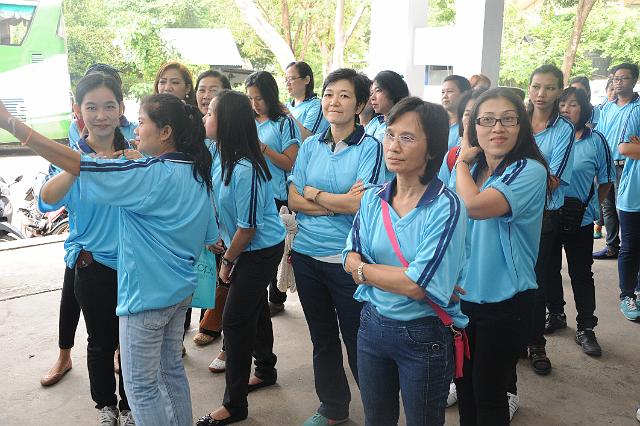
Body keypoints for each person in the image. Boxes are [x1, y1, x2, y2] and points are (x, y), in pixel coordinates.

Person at [0, 93, 218, 426]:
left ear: (165, 132)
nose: (136, 129)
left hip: (146, 300)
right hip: (179, 293)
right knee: (170, 371)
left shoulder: (147, 173)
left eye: (141, 123)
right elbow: (211, 237)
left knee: (141, 387)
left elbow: (77, 164)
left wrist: (11, 124)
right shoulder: (195, 170)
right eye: (91, 107)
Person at [343, 96, 468, 426]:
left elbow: (414, 287)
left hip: (423, 335)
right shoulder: (373, 198)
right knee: (376, 420)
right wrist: (397, 274)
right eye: (390, 134)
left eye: (407, 137)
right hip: (371, 326)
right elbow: (349, 256)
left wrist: (363, 270)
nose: (393, 146)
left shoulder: (446, 206)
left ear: (432, 149)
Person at [440, 87, 549, 425]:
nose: (497, 128)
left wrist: (460, 161)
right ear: (473, 127)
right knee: (465, 386)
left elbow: (474, 206)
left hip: (505, 302)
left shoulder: (528, 170)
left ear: (521, 126)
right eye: (486, 120)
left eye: (508, 119)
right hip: (463, 298)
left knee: (489, 393)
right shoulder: (472, 170)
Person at [288, 68, 384, 426]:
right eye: (329, 94)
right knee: (322, 337)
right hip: (306, 255)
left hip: (347, 260)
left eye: (344, 95)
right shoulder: (310, 145)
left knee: (360, 341)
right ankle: (332, 407)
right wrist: (334, 202)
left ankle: (378, 413)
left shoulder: (370, 147)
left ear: (359, 105)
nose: (334, 101)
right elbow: (292, 198)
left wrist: (313, 194)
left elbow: (360, 204)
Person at [38, 73, 134, 425]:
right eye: (91, 107)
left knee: (132, 342)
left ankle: (130, 406)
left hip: (136, 264)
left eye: (109, 106)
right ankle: (106, 406)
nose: (101, 115)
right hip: (93, 265)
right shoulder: (69, 156)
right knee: (101, 342)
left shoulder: (135, 153)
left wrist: (135, 160)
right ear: (79, 111)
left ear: (121, 109)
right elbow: (46, 201)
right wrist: (78, 165)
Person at [197, 90, 285, 426]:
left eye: (210, 112)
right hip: (240, 246)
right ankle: (265, 369)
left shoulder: (245, 167)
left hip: (259, 250)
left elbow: (248, 228)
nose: (205, 117)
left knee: (234, 321)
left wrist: (227, 262)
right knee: (254, 307)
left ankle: (234, 405)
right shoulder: (218, 153)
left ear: (227, 121)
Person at [544, 87, 615, 354]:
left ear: (584, 109)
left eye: (572, 104)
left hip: (581, 219)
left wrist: (592, 206)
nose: (565, 109)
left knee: (581, 273)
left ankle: (586, 327)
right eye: (562, 104)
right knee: (549, 269)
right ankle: (556, 313)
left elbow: (606, 180)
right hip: (549, 216)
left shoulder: (596, 140)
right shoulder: (549, 137)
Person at [526, 64, 575, 376]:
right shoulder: (517, 121)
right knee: (511, 279)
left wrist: (511, 188)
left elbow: (552, 180)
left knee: (536, 282)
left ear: (559, 92)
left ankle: (535, 344)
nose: (541, 93)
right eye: (536, 86)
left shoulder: (564, 130)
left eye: (549, 87)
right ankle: (514, 340)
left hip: (543, 216)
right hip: (510, 213)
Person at [246, 71, 301, 315]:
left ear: (270, 95)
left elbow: (290, 162)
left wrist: (264, 149)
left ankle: (276, 298)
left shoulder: (283, 123)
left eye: (259, 98)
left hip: (276, 194)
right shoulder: (248, 121)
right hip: (252, 191)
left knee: (276, 247)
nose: (254, 104)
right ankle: (258, 296)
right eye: (250, 98)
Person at [193, 69, 232, 348]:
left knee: (227, 281)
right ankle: (207, 320)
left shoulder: (233, 144)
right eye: (202, 89)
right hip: (201, 221)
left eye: (213, 90)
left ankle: (223, 334)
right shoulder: (193, 131)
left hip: (226, 227)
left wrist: (215, 230)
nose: (206, 96)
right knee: (205, 277)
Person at [593, 63, 640, 263]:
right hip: (606, 165)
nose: (618, 82)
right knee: (608, 208)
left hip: (628, 167)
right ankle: (612, 246)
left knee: (626, 211)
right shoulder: (606, 108)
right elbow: (597, 135)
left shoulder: (637, 108)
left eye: (624, 78)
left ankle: (631, 250)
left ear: (635, 80)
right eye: (615, 79)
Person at [612, 65, 640, 321]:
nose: (619, 82)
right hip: (634, 191)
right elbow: (625, 148)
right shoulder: (636, 111)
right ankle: (627, 294)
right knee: (630, 245)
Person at [365, 70, 410, 181]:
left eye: (378, 91)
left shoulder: (406, 125)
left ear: (393, 91)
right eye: (371, 93)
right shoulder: (375, 122)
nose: (372, 97)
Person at [285, 61, 329, 140]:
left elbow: (307, 138)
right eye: (286, 80)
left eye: (291, 79)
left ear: (306, 80)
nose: (287, 83)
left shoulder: (316, 105)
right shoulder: (287, 106)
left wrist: (288, 115)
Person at [441, 75, 472, 149]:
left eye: (449, 91)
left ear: (464, 94)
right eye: (443, 92)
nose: (445, 96)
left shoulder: (467, 125)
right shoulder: (437, 122)